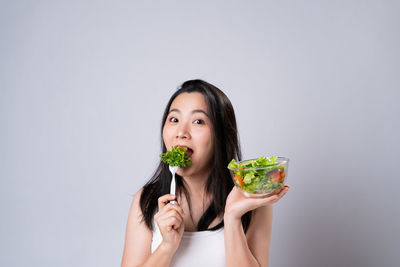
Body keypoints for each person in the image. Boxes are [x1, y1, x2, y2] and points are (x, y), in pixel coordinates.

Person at [121, 79, 290, 267]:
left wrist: (233, 217)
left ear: (221, 134)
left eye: (198, 121)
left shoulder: (252, 199)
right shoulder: (146, 200)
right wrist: (166, 247)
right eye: (174, 119)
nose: (181, 132)